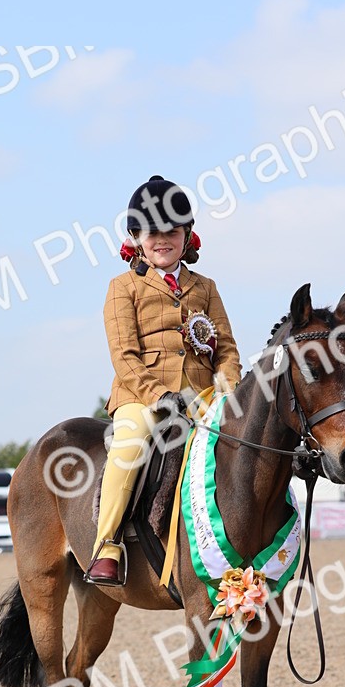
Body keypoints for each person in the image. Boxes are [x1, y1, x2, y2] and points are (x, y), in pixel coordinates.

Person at [86, 175, 242, 585]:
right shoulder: (123, 288)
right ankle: (107, 546)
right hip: (143, 395)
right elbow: (124, 356)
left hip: (202, 394)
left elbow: (225, 347)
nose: (162, 239)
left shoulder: (205, 287)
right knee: (132, 440)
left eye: (171, 231)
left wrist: (229, 390)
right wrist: (160, 396)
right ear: (136, 237)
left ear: (186, 234)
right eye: (152, 231)